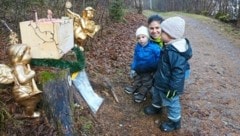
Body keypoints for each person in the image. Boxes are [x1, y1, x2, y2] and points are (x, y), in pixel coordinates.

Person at [144, 16, 192, 132]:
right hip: (162, 79)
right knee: (157, 93)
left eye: (163, 31)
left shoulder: (175, 52)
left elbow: (178, 73)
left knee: (171, 101)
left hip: (170, 85)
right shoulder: (168, 46)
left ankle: (174, 121)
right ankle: (156, 107)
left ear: (171, 35)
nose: (160, 33)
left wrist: (173, 89)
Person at [124, 25, 161, 103]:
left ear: (147, 37)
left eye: (143, 37)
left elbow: (159, 58)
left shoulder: (154, 47)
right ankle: (135, 88)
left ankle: (142, 94)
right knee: (137, 79)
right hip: (139, 68)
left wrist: (156, 69)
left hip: (148, 70)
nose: (141, 39)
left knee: (146, 83)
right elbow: (135, 57)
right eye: (138, 38)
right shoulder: (138, 46)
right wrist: (133, 68)